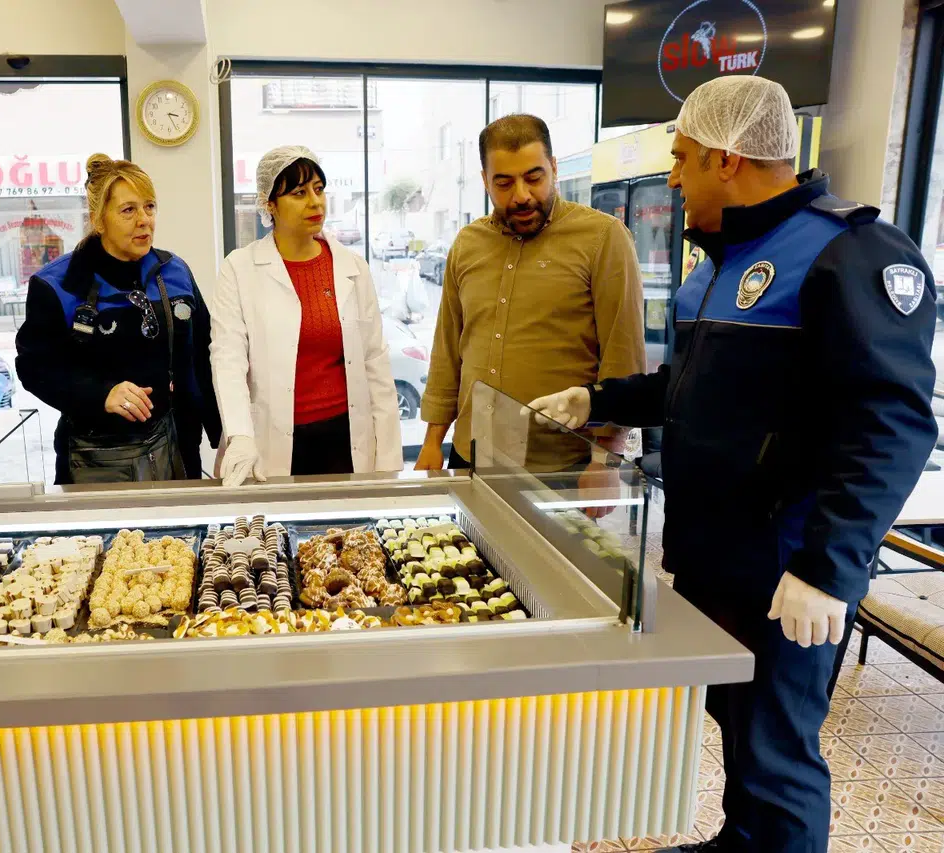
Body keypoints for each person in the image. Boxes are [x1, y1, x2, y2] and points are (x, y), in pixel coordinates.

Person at [529, 77, 938, 853]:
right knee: (737, 721)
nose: (673, 176)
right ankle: (741, 839)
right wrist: (598, 398)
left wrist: (829, 569)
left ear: (726, 158)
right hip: (713, 553)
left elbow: (891, 425)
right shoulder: (714, 264)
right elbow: (686, 389)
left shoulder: (846, 252)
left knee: (780, 749)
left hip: (789, 566)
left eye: (682, 157)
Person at [415, 114, 645, 472]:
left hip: (561, 464)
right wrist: (432, 442)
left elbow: (623, 357)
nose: (521, 196)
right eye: (504, 183)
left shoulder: (603, 238)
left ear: (553, 168)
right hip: (471, 454)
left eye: (534, 178)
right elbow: (448, 350)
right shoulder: (467, 243)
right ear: (485, 181)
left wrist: (605, 463)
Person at [16, 154, 220, 484]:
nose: (144, 220)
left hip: (178, 451)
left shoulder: (175, 272)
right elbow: (34, 368)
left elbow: (204, 355)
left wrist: (224, 435)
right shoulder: (57, 285)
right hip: (96, 459)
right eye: (128, 210)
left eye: (149, 207)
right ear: (99, 220)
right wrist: (100, 394)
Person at [209, 146, 401, 484]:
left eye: (318, 189)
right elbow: (228, 358)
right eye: (299, 193)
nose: (315, 202)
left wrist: (387, 459)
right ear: (269, 204)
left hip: (345, 437)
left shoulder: (352, 267)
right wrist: (240, 435)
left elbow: (375, 362)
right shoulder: (239, 268)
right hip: (270, 439)